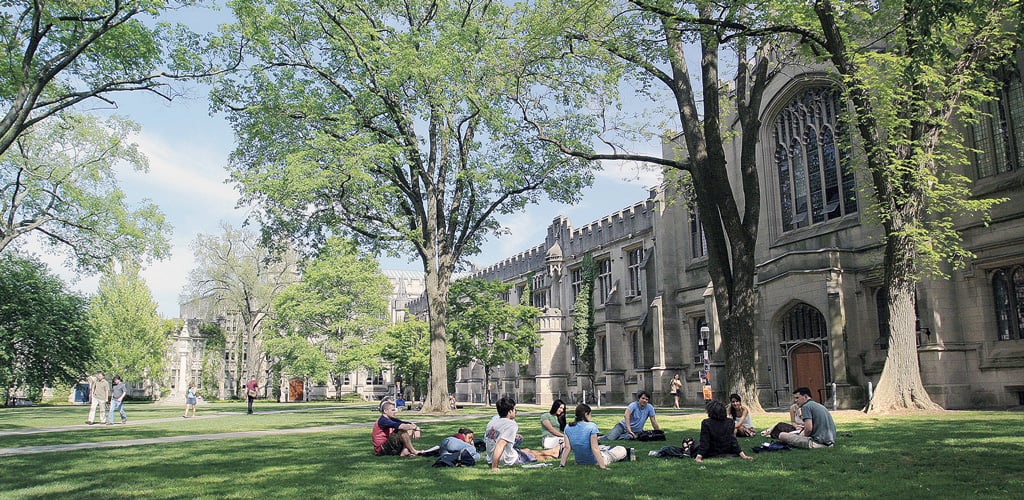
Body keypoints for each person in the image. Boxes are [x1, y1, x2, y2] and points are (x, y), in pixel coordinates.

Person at [485, 397, 560, 470]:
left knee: (527, 450)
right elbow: (500, 445)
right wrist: (494, 467)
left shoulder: (491, 423)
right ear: (510, 411)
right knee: (533, 456)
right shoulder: (510, 424)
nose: (515, 412)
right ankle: (553, 453)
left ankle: (552, 452)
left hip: (490, 458)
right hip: (505, 459)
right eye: (515, 410)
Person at [559, 403, 630, 469]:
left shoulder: (568, 427)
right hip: (595, 461)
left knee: (601, 447)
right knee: (621, 449)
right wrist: (603, 466)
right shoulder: (592, 426)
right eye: (590, 414)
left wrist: (562, 465)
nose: (591, 416)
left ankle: (605, 449)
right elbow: (594, 448)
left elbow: (567, 448)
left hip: (579, 462)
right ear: (586, 414)